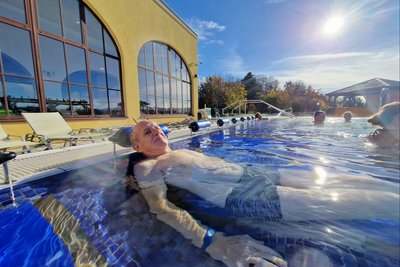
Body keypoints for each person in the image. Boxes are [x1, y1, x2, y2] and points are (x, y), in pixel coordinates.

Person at [129, 120, 399, 267]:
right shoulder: (147, 165)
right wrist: (214, 242)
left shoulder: (181, 150)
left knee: (358, 180)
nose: (154, 130)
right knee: (371, 202)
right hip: (247, 195)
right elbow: (162, 208)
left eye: (155, 127)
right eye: (145, 131)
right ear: (137, 144)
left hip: (257, 174)